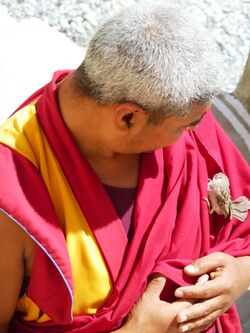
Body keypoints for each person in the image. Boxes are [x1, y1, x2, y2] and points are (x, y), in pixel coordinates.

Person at [0, 3, 249, 333]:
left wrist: (239, 273)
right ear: (128, 117)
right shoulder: (12, 200)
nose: (198, 131)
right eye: (186, 125)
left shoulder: (179, 119)